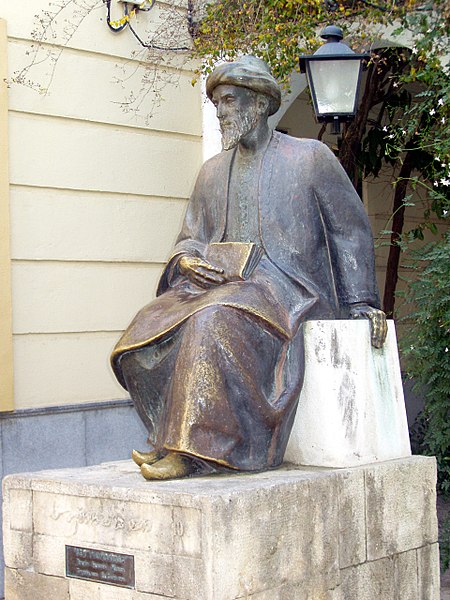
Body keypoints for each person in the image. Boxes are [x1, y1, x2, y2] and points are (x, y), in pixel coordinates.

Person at [111, 55, 387, 481]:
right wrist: (187, 260)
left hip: (288, 290)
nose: (220, 112)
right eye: (217, 103)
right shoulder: (211, 171)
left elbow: (349, 231)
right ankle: (169, 436)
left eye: (227, 101)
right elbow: (191, 237)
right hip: (220, 285)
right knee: (147, 328)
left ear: (257, 103)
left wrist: (361, 301)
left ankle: (194, 451)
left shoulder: (309, 158)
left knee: (212, 321)